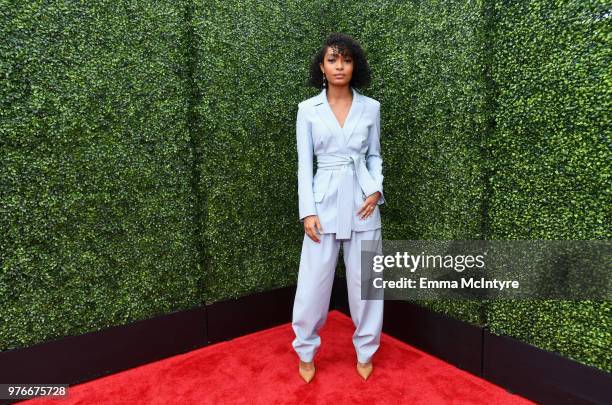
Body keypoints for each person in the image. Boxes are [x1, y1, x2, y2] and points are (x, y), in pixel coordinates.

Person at [291, 32, 385, 383]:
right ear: (322, 67)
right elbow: (304, 165)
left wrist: (375, 191)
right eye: (333, 60)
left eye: (346, 59)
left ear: (354, 65)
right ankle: (305, 348)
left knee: (367, 285)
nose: (339, 66)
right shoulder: (307, 110)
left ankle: (366, 350)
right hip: (323, 203)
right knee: (313, 285)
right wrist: (308, 211)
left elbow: (374, 156)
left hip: (363, 203)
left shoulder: (371, 107)